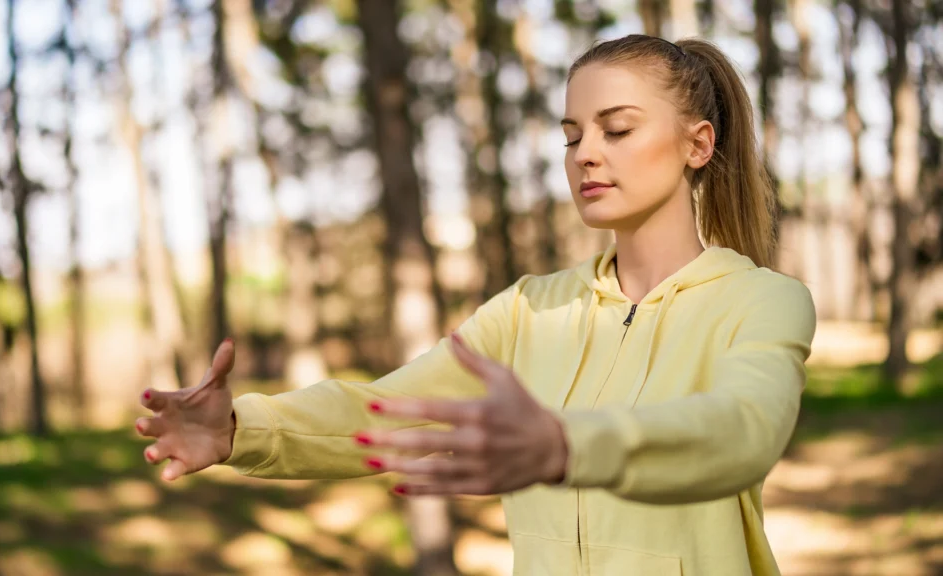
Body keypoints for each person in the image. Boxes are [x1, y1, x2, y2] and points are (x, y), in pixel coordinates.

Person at [134, 34, 816, 576]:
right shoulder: (529, 310)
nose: (586, 155)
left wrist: (565, 445)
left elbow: (741, 432)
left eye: (618, 129)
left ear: (698, 143)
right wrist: (240, 430)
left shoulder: (762, 302)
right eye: (573, 134)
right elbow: (387, 414)